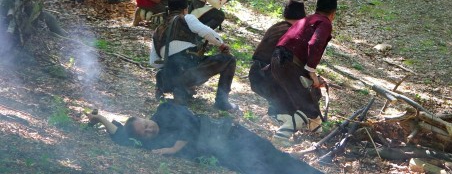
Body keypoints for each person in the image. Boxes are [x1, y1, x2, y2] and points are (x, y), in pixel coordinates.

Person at [86, 101, 323, 174]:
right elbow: (123, 138)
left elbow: (189, 122)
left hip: (231, 134)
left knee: (277, 159)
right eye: (145, 133)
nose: (150, 130)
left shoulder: (164, 110)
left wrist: (174, 148)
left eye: (146, 125)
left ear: (146, 118)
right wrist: (102, 120)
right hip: (224, 154)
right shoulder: (153, 143)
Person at [270, 0, 337, 140]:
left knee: (308, 100)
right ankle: (280, 137)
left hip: (277, 60)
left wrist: (311, 75)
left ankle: (316, 131)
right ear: (333, 13)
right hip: (288, 62)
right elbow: (315, 43)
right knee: (308, 108)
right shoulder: (324, 22)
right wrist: (311, 72)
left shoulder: (307, 19)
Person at [151, 0, 237, 110]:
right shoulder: (187, 18)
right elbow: (207, 32)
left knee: (182, 65)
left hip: (167, 78)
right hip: (187, 73)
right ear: (185, 9)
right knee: (229, 60)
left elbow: (153, 62)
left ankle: (181, 88)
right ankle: (222, 101)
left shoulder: (158, 29)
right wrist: (222, 45)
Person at [249, 0, 306, 116]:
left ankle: (276, 111)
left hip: (255, 74)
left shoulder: (277, 27)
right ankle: (281, 115)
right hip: (267, 79)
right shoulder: (292, 33)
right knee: (295, 105)